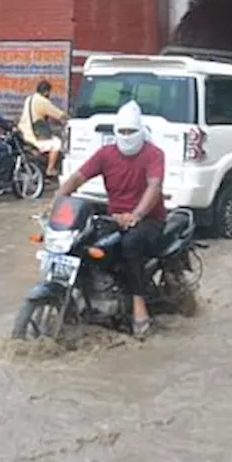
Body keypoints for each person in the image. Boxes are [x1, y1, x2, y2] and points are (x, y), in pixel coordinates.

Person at [51, 100, 163, 339]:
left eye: (131, 131)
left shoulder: (154, 155)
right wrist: (57, 200)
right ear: (115, 133)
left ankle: (138, 304)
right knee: (81, 241)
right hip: (114, 218)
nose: (126, 136)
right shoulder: (106, 154)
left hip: (148, 219)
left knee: (130, 244)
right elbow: (78, 177)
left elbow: (154, 187)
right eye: (122, 131)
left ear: (141, 131)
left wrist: (137, 215)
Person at [18, 80, 67, 178]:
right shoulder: (43, 101)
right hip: (33, 136)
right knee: (57, 143)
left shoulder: (29, 99)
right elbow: (58, 114)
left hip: (23, 132)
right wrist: (68, 117)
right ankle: (50, 169)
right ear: (46, 92)